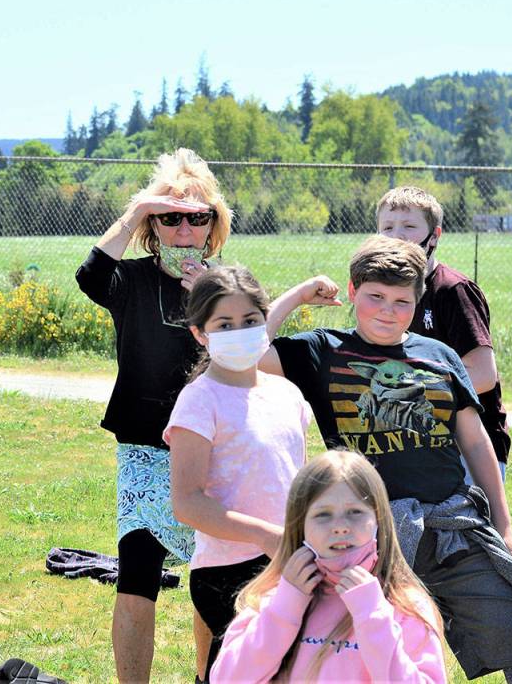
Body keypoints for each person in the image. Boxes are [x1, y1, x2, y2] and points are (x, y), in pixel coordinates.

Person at [261, 236, 512, 683]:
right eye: (375, 297)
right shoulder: (322, 350)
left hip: (454, 525)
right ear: (352, 290)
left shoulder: (440, 356)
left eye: (402, 301)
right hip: (368, 536)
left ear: (418, 302)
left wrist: (503, 523)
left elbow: (476, 442)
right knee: (370, 651)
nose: (388, 311)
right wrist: (300, 295)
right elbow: (248, 353)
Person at [75, 148, 230, 683]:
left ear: (213, 225)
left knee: (212, 577)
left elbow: (252, 357)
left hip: (214, 444)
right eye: (169, 217)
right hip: (144, 445)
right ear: (151, 226)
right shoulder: (131, 280)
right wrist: (138, 207)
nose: (184, 229)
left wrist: (213, 303)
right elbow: (91, 276)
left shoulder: (228, 286)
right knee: (137, 575)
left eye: (197, 217)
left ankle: (207, 677)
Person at [164, 266, 320, 679]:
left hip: (289, 558)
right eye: (224, 325)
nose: (239, 331)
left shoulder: (287, 394)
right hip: (227, 572)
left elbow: (297, 481)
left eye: (250, 321)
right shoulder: (199, 401)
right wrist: (265, 535)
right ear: (200, 333)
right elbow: (187, 503)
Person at [211, 451, 446, 683]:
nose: (340, 526)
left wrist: (373, 617)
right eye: (323, 514)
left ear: (379, 521)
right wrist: (283, 611)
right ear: (300, 526)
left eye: (355, 512)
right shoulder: (272, 601)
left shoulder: (405, 607)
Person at [376, 186, 510, 482]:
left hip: (469, 449)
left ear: (434, 236)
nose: (397, 236)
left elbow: (484, 375)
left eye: (409, 226)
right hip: (417, 446)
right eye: (387, 227)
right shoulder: (382, 298)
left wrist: (411, 391)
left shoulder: (453, 291)